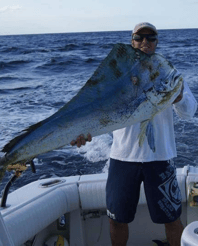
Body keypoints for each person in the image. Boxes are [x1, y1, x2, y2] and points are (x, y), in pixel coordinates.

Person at [71, 22, 197, 246]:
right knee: (117, 220)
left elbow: (190, 111)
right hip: (122, 158)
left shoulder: (169, 73)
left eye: (151, 38)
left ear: (157, 43)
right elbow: (95, 107)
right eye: (140, 37)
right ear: (132, 41)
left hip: (160, 159)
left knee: (172, 218)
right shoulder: (116, 75)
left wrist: (179, 99)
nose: (145, 43)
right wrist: (81, 132)